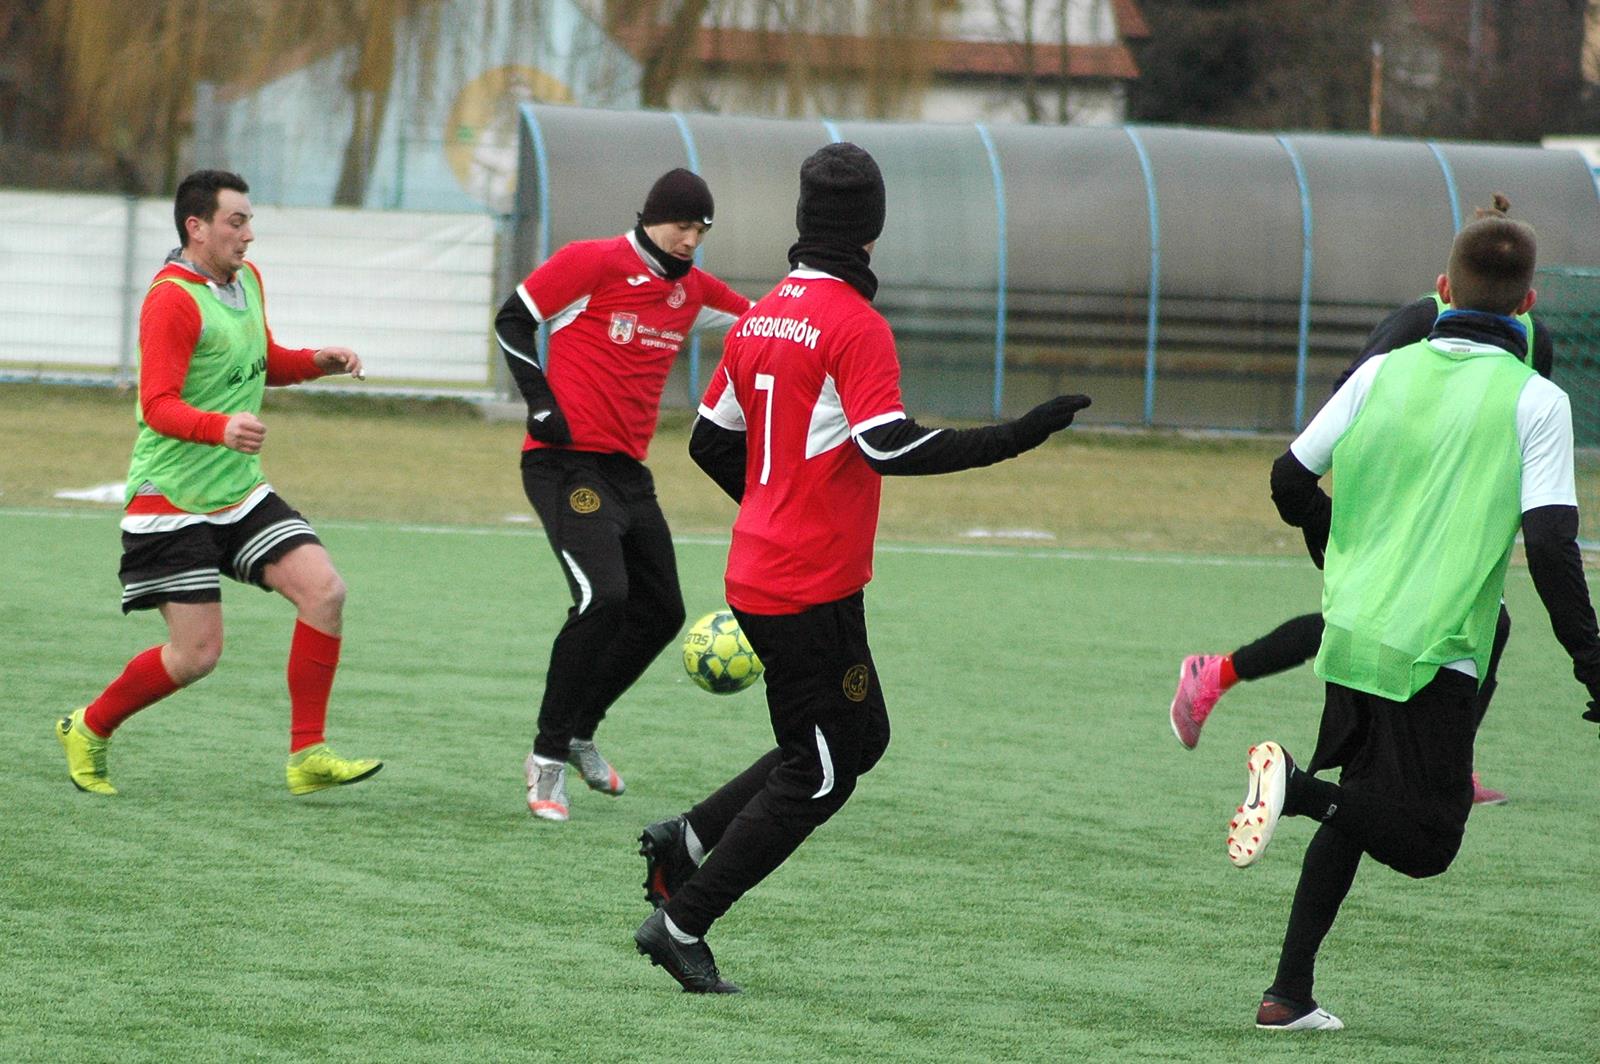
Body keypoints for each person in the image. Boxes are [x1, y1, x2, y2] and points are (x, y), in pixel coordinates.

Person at [630, 142, 1093, 993]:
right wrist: (1019, 434)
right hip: (802, 586)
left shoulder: (765, 313)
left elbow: (705, 439)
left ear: (806, 224)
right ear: (871, 234)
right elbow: (889, 446)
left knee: (856, 736)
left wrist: (776, 505)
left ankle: (686, 839)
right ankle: (681, 922)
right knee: (825, 768)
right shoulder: (854, 325)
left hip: (783, 574)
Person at [1222, 205, 1600, 1030]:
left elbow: (1288, 482)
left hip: (1355, 636)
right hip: (1436, 651)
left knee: (1362, 808)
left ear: (1441, 290)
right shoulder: (1536, 400)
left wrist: (1342, 554)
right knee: (1426, 843)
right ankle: (1292, 787)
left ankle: (1288, 993)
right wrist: (1592, 661)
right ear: (1529, 304)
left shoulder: (1377, 374)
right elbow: (1551, 544)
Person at [1169, 196, 1554, 807]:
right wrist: (1333, 522)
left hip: (1444, 518)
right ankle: (1217, 674)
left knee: (1479, 626)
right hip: (1383, 500)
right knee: (1362, 626)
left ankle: (1442, 763)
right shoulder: (1420, 320)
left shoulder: (1535, 342)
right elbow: (1348, 395)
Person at [55, 169, 382, 797]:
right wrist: (220, 428)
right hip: (171, 502)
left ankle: (307, 753)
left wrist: (317, 363)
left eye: (251, 221)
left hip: (239, 494)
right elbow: (157, 404)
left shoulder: (246, 281)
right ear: (196, 227)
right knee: (197, 656)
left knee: (326, 592)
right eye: (237, 221)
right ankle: (89, 727)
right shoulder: (171, 299)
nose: (250, 234)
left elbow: (266, 361)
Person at [494, 168, 753, 822]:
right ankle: (547, 758)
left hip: (628, 474)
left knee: (662, 610)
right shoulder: (593, 261)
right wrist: (540, 403)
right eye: (681, 226)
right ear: (650, 217)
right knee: (602, 596)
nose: (690, 240)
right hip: (564, 466)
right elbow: (512, 321)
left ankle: (581, 729)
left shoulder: (691, 289)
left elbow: (763, 321)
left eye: (701, 230)